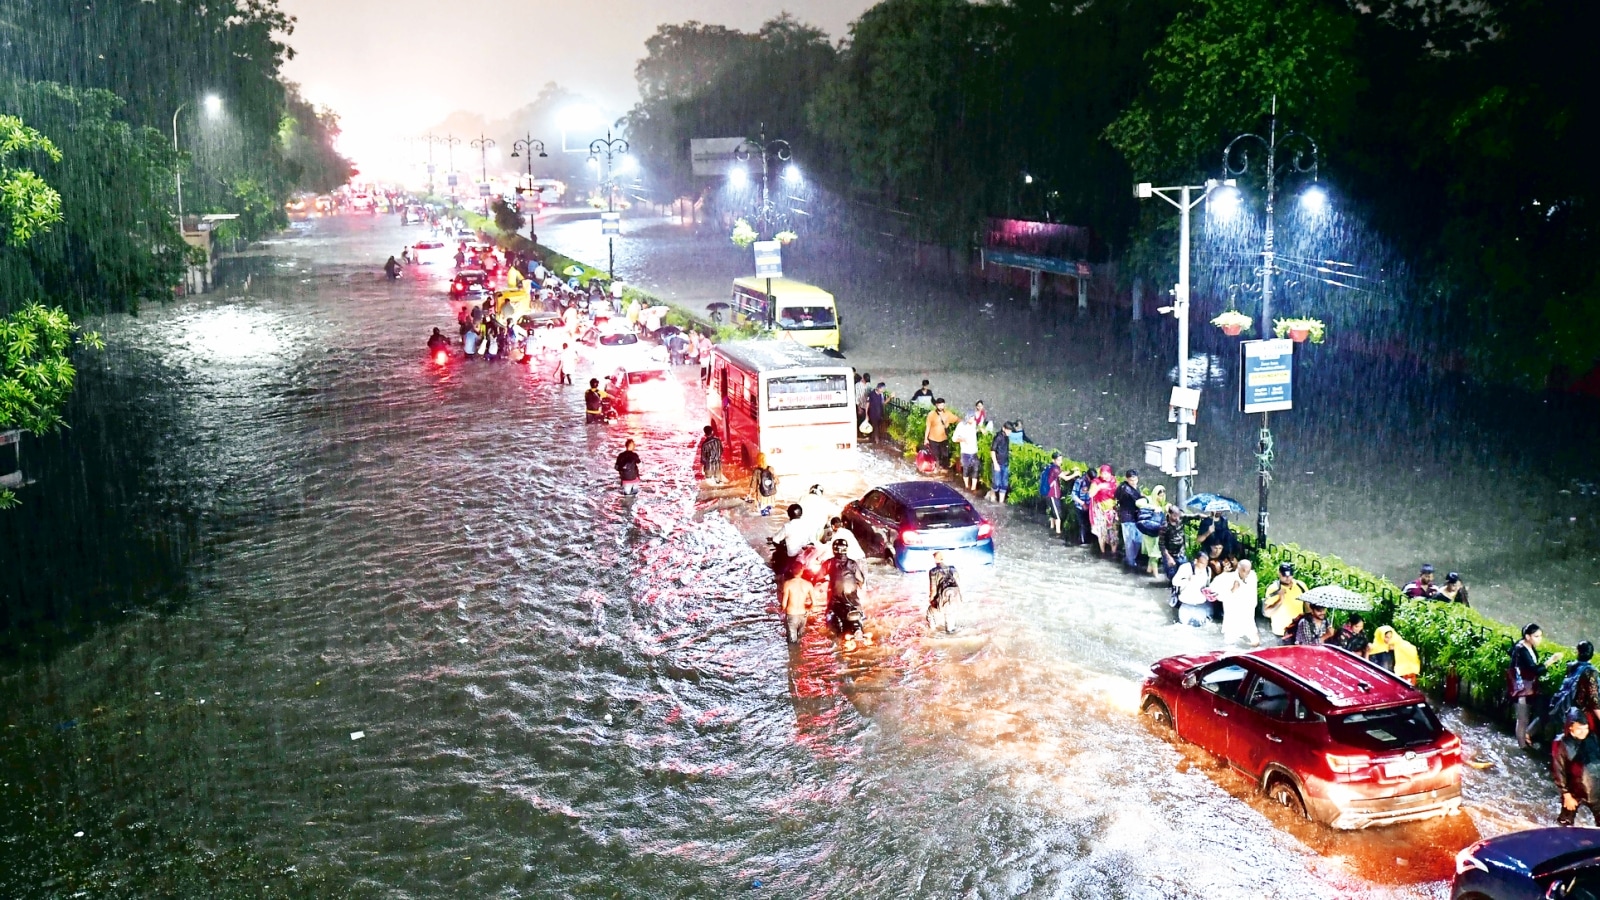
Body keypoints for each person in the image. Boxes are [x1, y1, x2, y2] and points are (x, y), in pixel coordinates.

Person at [1514, 623, 1562, 749]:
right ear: (1527, 636)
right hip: (1522, 688)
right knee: (1523, 718)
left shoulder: (1527, 647)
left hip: (1529, 686)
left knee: (1537, 713)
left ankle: (1526, 737)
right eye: (1536, 636)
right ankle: (1522, 746)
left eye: (1540, 636)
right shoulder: (1521, 649)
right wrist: (1551, 660)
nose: (1539, 639)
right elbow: (1534, 670)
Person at [1553, 709, 1600, 826]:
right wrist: (1566, 794)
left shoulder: (1593, 738)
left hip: (1596, 790)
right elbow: (1558, 770)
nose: (1583, 732)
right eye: (1579, 728)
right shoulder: (1561, 743)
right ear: (1570, 727)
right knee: (1565, 823)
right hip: (1573, 790)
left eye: (1586, 728)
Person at [824, 538, 871, 650]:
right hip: (854, 604)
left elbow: (818, 576)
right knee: (861, 617)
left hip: (836, 603)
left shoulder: (829, 563)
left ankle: (837, 638)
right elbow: (861, 580)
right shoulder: (852, 563)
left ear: (834, 550)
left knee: (828, 618)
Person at [1262, 563, 1308, 644]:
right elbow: (1267, 613)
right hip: (1281, 632)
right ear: (1279, 574)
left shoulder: (1301, 586)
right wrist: (1280, 600)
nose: (1287, 578)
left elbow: (1308, 606)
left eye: (1290, 575)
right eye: (1284, 575)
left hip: (1298, 630)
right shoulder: (1274, 589)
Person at [771, 503, 818, 573]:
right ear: (801, 513)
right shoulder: (808, 525)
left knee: (780, 570)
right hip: (806, 555)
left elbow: (775, 540)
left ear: (789, 514)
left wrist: (781, 547)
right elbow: (813, 541)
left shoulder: (787, 526)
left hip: (793, 557)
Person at [1172, 550, 1212, 627]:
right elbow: (1174, 582)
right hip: (1185, 604)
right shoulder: (1185, 568)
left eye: (1206, 564)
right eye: (1202, 563)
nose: (1204, 566)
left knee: (1201, 627)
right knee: (1184, 627)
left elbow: (1207, 585)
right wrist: (1187, 580)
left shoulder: (1208, 570)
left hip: (1200, 605)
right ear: (1196, 561)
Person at [926, 550, 961, 635]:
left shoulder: (933, 571)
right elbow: (958, 583)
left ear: (935, 559)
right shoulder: (953, 568)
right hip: (955, 599)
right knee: (950, 626)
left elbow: (933, 589)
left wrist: (931, 600)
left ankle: (932, 632)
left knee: (930, 612)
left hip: (943, 600)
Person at [1115, 470, 1144, 569]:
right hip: (1127, 517)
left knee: (1137, 539)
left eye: (1135, 479)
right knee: (1129, 541)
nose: (1134, 482)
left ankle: (1131, 559)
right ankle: (1130, 562)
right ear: (1127, 479)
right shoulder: (1126, 489)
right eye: (1131, 480)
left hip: (1135, 516)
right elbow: (1138, 499)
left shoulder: (1129, 487)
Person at [780, 566, 815, 645]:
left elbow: (784, 604)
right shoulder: (808, 584)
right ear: (802, 571)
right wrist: (808, 609)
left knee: (792, 642)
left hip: (792, 614)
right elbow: (814, 603)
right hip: (803, 615)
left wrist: (781, 612)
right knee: (800, 639)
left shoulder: (788, 584)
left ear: (792, 571)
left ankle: (794, 652)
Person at [1089, 465, 1118, 557]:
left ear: (1110, 473)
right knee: (1102, 532)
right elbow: (1090, 494)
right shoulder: (1096, 482)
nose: (1103, 476)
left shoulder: (1113, 480)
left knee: (1113, 532)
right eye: (1102, 474)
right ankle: (1103, 552)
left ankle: (1113, 553)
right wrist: (1099, 487)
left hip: (1112, 510)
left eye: (1106, 474)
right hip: (1100, 511)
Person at [923, 399, 959, 468]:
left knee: (945, 455)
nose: (941, 407)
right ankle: (937, 468)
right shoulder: (931, 414)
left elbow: (957, 419)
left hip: (944, 439)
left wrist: (966, 424)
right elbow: (928, 427)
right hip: (933, 439)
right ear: (936, 405)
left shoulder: (948, 414)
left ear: (944, 405)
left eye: (942, 405)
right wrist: (925, 439)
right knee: (936, 456)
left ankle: (944, 469)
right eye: (939, 405)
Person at [1157, 505, 1186, 580]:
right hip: (1169, 554)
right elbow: (1161, 545)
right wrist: (1169, 558)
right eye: (1174, 516)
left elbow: (1193, 516)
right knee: (1172, 575)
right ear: (1169, 514)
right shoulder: (1164, 526)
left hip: (1181, 552)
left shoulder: (1180, 519)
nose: (1177, 518)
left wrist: (1204, 516)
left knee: (1184, 573)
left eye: (1178, 515)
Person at [953, 415, 980, 492]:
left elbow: (975, 430)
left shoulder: (974, 423)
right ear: (967, 418)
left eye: (974, 418)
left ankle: (973, 488)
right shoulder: (961, 426)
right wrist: (963, 439)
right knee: (966, 469)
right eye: (971, 418)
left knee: (975, 470)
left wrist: (980, 430)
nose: (973, 420)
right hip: (965, 452)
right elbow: (954, 439)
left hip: (974, 451)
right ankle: (967, 486)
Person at [1068, 465, 1092, 545]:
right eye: (1090, 478)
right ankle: (1082, 542)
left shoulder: (1094, 481)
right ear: (1087, 476)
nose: (1091, 480)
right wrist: (1083, 504)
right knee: (1082, 525)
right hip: (1080, 507)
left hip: (1091, 507)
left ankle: (1089, 541)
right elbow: (1073, 495)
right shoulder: (1080, 481)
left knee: (1089, 524)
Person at [989, 420, 1011, 503]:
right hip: (998, 463)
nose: (1009, 432)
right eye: (1008, 430)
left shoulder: (1007, 438)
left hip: (1005, 463)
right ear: (1003, 428)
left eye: (1010, 431)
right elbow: (992, 450)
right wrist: (995, 464)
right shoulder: (998, 437)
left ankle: (1001, 502)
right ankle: (992, 495)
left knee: (1004, 484)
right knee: (996, 483)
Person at [1043, 452, 1064, 535]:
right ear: (1053, 460)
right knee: (1058, 515)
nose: (1060, 462)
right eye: (1058, 460)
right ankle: (1058, 533)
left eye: (1061, 460)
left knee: (1053, 513)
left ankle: (1051, 528)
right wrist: (1075, 474)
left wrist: (1070, 472)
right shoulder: (1055, 469)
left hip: (1050, 494)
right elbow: (1065, 478)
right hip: (1052, 494)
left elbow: (1061, 474)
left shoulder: (1051, 467)